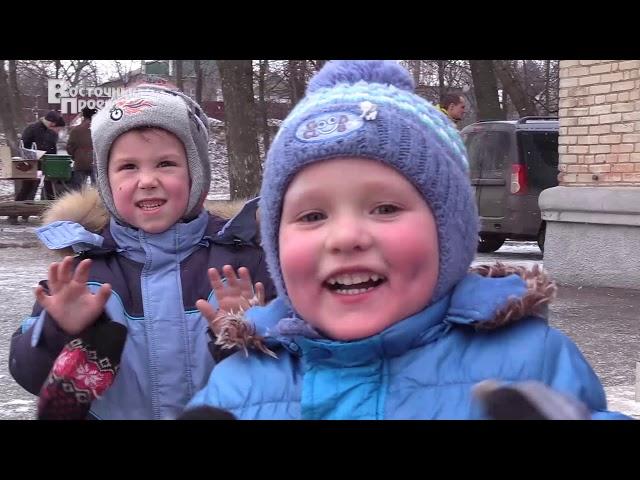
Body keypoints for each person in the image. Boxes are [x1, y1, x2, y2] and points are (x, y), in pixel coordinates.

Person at [184, 60, 627, 420]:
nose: (346, 237)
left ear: (448, 230)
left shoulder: (534, 364)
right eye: (313, 215)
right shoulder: (237, 387)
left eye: (386, 209)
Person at [9, 84, 275, 420]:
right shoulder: (83, 272)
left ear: (198, 176)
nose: (147, 180)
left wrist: (251, 332)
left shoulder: (245, 263)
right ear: (106, 183)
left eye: (166, 163)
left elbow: (291, 377)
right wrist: (59, 329)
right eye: (128, 167)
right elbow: (29, 374)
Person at [9, 110, 65, 223]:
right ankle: (14, 214)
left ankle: (32, 213)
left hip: (46, 163)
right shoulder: (33, 129)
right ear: (51, 122)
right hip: (32, 163)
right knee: (28, 188)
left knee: (47, 188)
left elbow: (51, 146)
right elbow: (24, 145)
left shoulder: (49, 131)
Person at [67, 106, 98, 190]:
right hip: (95, 161)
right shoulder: (99, 129)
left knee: (78, 188)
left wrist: (76, 155)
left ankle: (78, 201)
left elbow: (70, 147)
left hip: (80, 161)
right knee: (97, 188)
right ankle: (97, 201)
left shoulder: (76, 130)